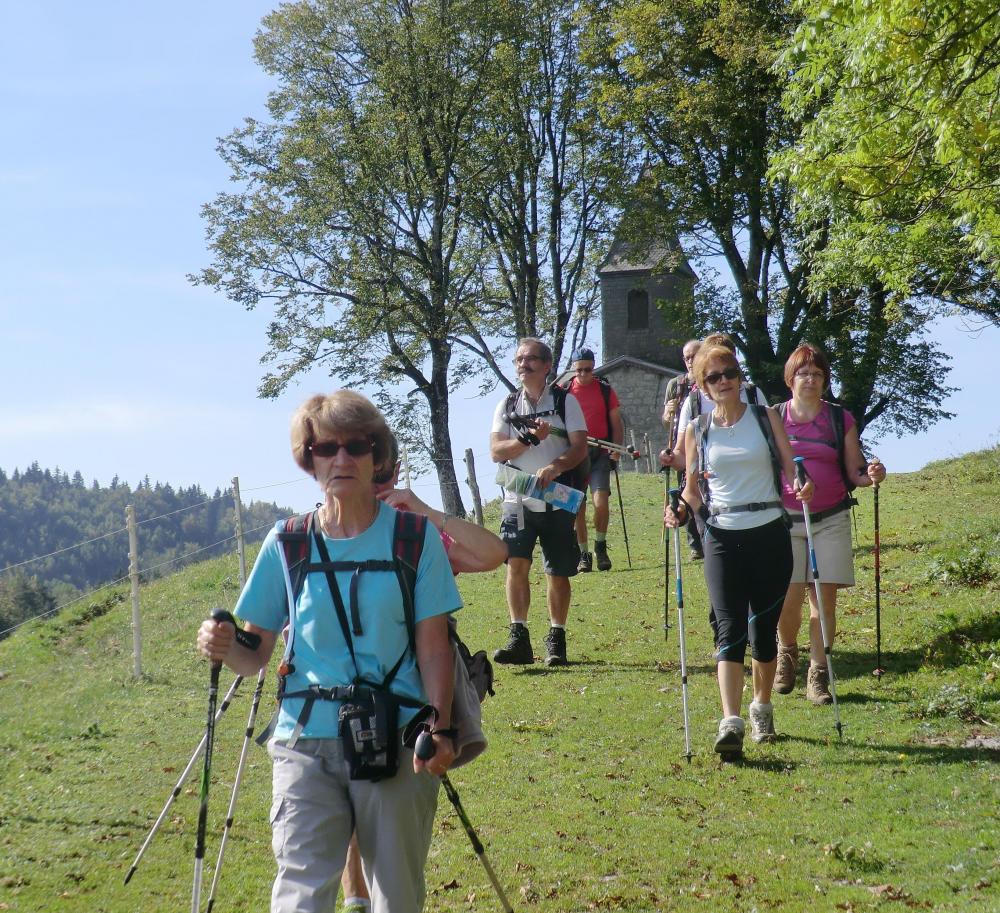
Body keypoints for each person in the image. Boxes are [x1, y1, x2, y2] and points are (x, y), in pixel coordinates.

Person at [196, 391, 462, 913]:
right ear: (309, 457)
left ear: (376, 455)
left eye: (356, 446)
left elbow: (434, 646)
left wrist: (442, 727)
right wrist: (223, 646)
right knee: (300, 894)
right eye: (325, 447)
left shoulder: (414, 538)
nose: (341, 458)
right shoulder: (287, 542)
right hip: (305, 741)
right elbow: (254, 654)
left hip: (398, 737)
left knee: (396, 896)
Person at [339, 435, 507, 913]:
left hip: (419, 693)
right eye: (367, 474)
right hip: (350, 684)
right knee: (347, 788)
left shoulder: (419, 535)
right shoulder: (329, 528)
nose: (376, 485)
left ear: (395, 473)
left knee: (402, 808)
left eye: (384, 475)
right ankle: (356, 898)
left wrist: (426, 511)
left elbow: (493, 554)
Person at [664, 344, 813, 757]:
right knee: (729, 629)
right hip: (722, 536)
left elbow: (791, 467)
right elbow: (693, 491)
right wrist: (679, 510)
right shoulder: (697, 429)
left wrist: (802, 483)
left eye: (729, 372)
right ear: (702, 385)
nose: (724, 381)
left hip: (769, 532)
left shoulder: (765, 418)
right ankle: (730, 721)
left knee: (762, 633)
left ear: (739, 376)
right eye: (713, 377)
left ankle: (761, 706)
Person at [773, 344, 886, 704]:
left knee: (824, 602)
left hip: (831, 517)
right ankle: (786, 653)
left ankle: (818, 674)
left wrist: (871, 476)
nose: (810, 379)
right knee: (788, 600)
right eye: (803, 373)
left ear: (825, 380)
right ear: (790, 379)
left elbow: (855, 471)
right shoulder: (774, 418)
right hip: (785, 519)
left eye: (817, 374)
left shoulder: (840, 419)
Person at [490, 337, 588, 666]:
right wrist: (529, 438)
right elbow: (496, 451)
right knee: (516, 565)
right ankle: (518, 637)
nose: (523, 364)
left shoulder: (565, 402)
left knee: (557, 571)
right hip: (516, 498)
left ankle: (556, 639)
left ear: (546, 365)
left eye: (530, 359)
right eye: (519, 359)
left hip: (557, 498)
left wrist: (556, 466)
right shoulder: (507, 405)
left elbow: (579, 447)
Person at [564, 347, 625, 572]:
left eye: (588, 369)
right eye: (579, 370)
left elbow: (616, 423)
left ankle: (601, 546)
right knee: (577, 507)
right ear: (573, 369)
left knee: (601, 502)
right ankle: (583, 555)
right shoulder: (564, 392)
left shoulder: (605, 390)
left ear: (594, 367)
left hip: (600, 453)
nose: (583, 374)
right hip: (575, 454)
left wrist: (616, 448)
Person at [661, 339, 702, 558]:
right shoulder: (676, 385)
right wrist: (668, 414)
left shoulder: (710, 381)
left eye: (694, 356)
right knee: (686, 489)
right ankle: (695, 543)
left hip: (704, 441)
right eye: (687, 358)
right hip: (683, 446)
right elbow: (666, 422)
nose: (690, 361)